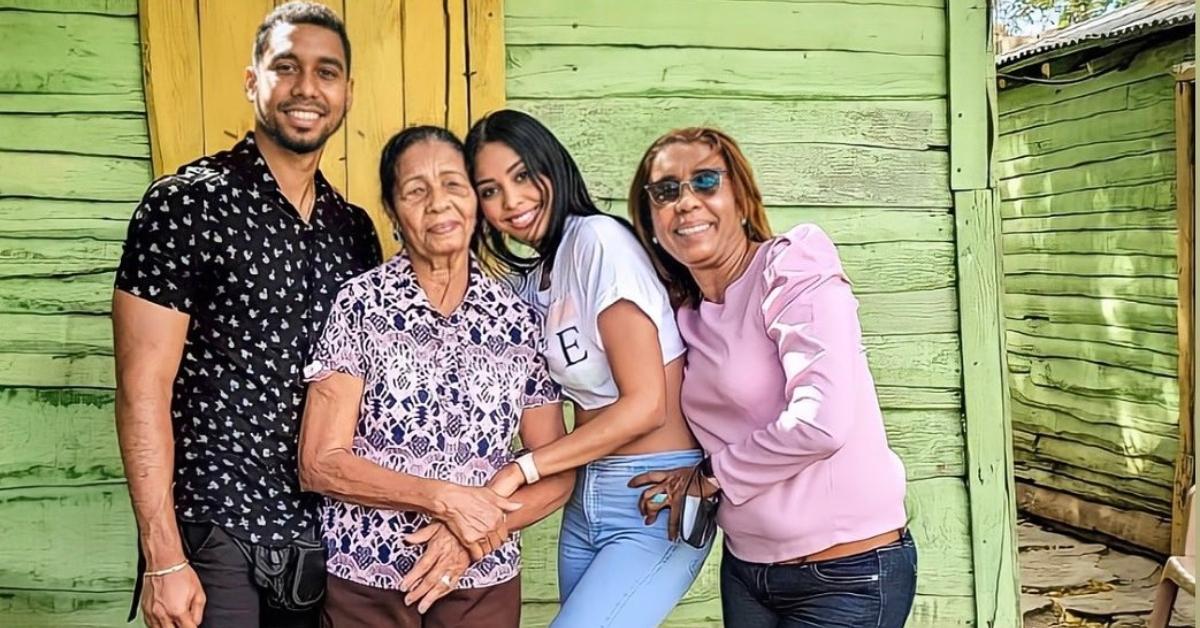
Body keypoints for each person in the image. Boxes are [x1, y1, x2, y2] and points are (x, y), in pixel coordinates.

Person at [112, 3, 381, 627]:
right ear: (252, 79)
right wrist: (163, 557)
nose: (306, 87)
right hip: (213, 530)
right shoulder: (185, 204)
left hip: (322, 536)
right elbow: (140, 390)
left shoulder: (354, 232)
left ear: (347, 92)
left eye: (326, 71)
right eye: (285, 67)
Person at [626, 127, 918, 627]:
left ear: (740, 197)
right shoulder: (685, 317)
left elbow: (821, 422)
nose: (687, 202)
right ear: (652, 221)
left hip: (845, 573)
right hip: (747, 572)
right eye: (667, 191)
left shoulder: (790, 267)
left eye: (705, 181)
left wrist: (712, 477)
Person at [297, 125, 575, 627]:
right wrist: (446, 501)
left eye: (453, 184)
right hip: (365, 581)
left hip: (480, 586)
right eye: (415, 190)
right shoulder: (361, 305)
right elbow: (320, 462)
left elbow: (554, 470)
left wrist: (470, 539)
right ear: (392, 210)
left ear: (474, 199)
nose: (438, 203)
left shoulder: (518, 320)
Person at [464, 110, 712, 627]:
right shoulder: (535, 278)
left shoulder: (597, 241)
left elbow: (646, 405)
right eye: (489, 190)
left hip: (651, 501)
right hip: (584, 504)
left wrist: (523, 467)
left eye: (522, 176)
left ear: (552, 167)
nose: (511, 202)